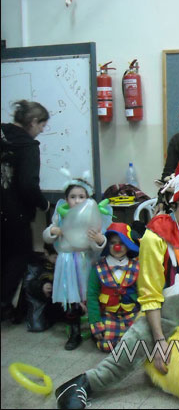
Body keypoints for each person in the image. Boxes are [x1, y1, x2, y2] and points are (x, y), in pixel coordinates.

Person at [55, 155, 179, 409]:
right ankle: (83, 384)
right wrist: (158, 340)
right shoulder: (157, 234)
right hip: (168, 312)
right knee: (135, 342)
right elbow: (150, 293)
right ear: (177, 196)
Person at [43, 174, 106, 350]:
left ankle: (94, 327)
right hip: (67, 262)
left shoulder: (92, 216)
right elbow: (47, 236)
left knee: (90, 296)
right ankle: (74, 331)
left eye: (81, 197)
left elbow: (99, 246)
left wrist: (99, 239)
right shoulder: (60, 216)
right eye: (73, 197)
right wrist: (53, 231)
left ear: (88, 199)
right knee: (71, 297)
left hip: (85, 260)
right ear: (66, 200)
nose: (77, 201)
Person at [1, 100, 51, 322]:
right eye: (41, 125)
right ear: (33, 122)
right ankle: (4, 304)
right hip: (15, 214)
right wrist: (44, 204)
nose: (41, 130)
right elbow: (28, 185)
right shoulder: (28, 146)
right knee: (20, 256)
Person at [87, 223, 141, 353]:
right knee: (107, 346)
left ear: (128, 245)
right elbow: (92, 296)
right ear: (107, 245)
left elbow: (143, 294)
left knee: (140, 343)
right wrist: (96, 323)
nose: (117, 247)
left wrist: (143, 316)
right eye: (113, 243)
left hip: (132, 313)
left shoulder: (137, 267)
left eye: (122, 243)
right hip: (109, 315)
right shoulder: (98, 268)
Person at [22, 244, 65, 332]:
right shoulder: (36, 264)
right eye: (55, 257)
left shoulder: (63, 263)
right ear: (46, 253)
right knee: (37, 327)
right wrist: (41, 286)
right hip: (40, 298)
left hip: (57, 299)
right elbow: (28, 285)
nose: (57, 261)